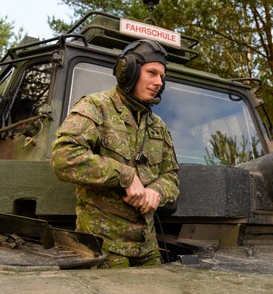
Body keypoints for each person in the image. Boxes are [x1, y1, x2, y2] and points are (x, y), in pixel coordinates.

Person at [50, 39, 179, 268]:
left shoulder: (158, 126)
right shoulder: (96, 107)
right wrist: (125, 176)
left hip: (148, 248)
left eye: (162, 76)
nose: (159, 82)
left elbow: (171, 176)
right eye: (152, 73)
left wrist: (156, 192)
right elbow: (64, 156)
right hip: (103, 248)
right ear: (127, 70)